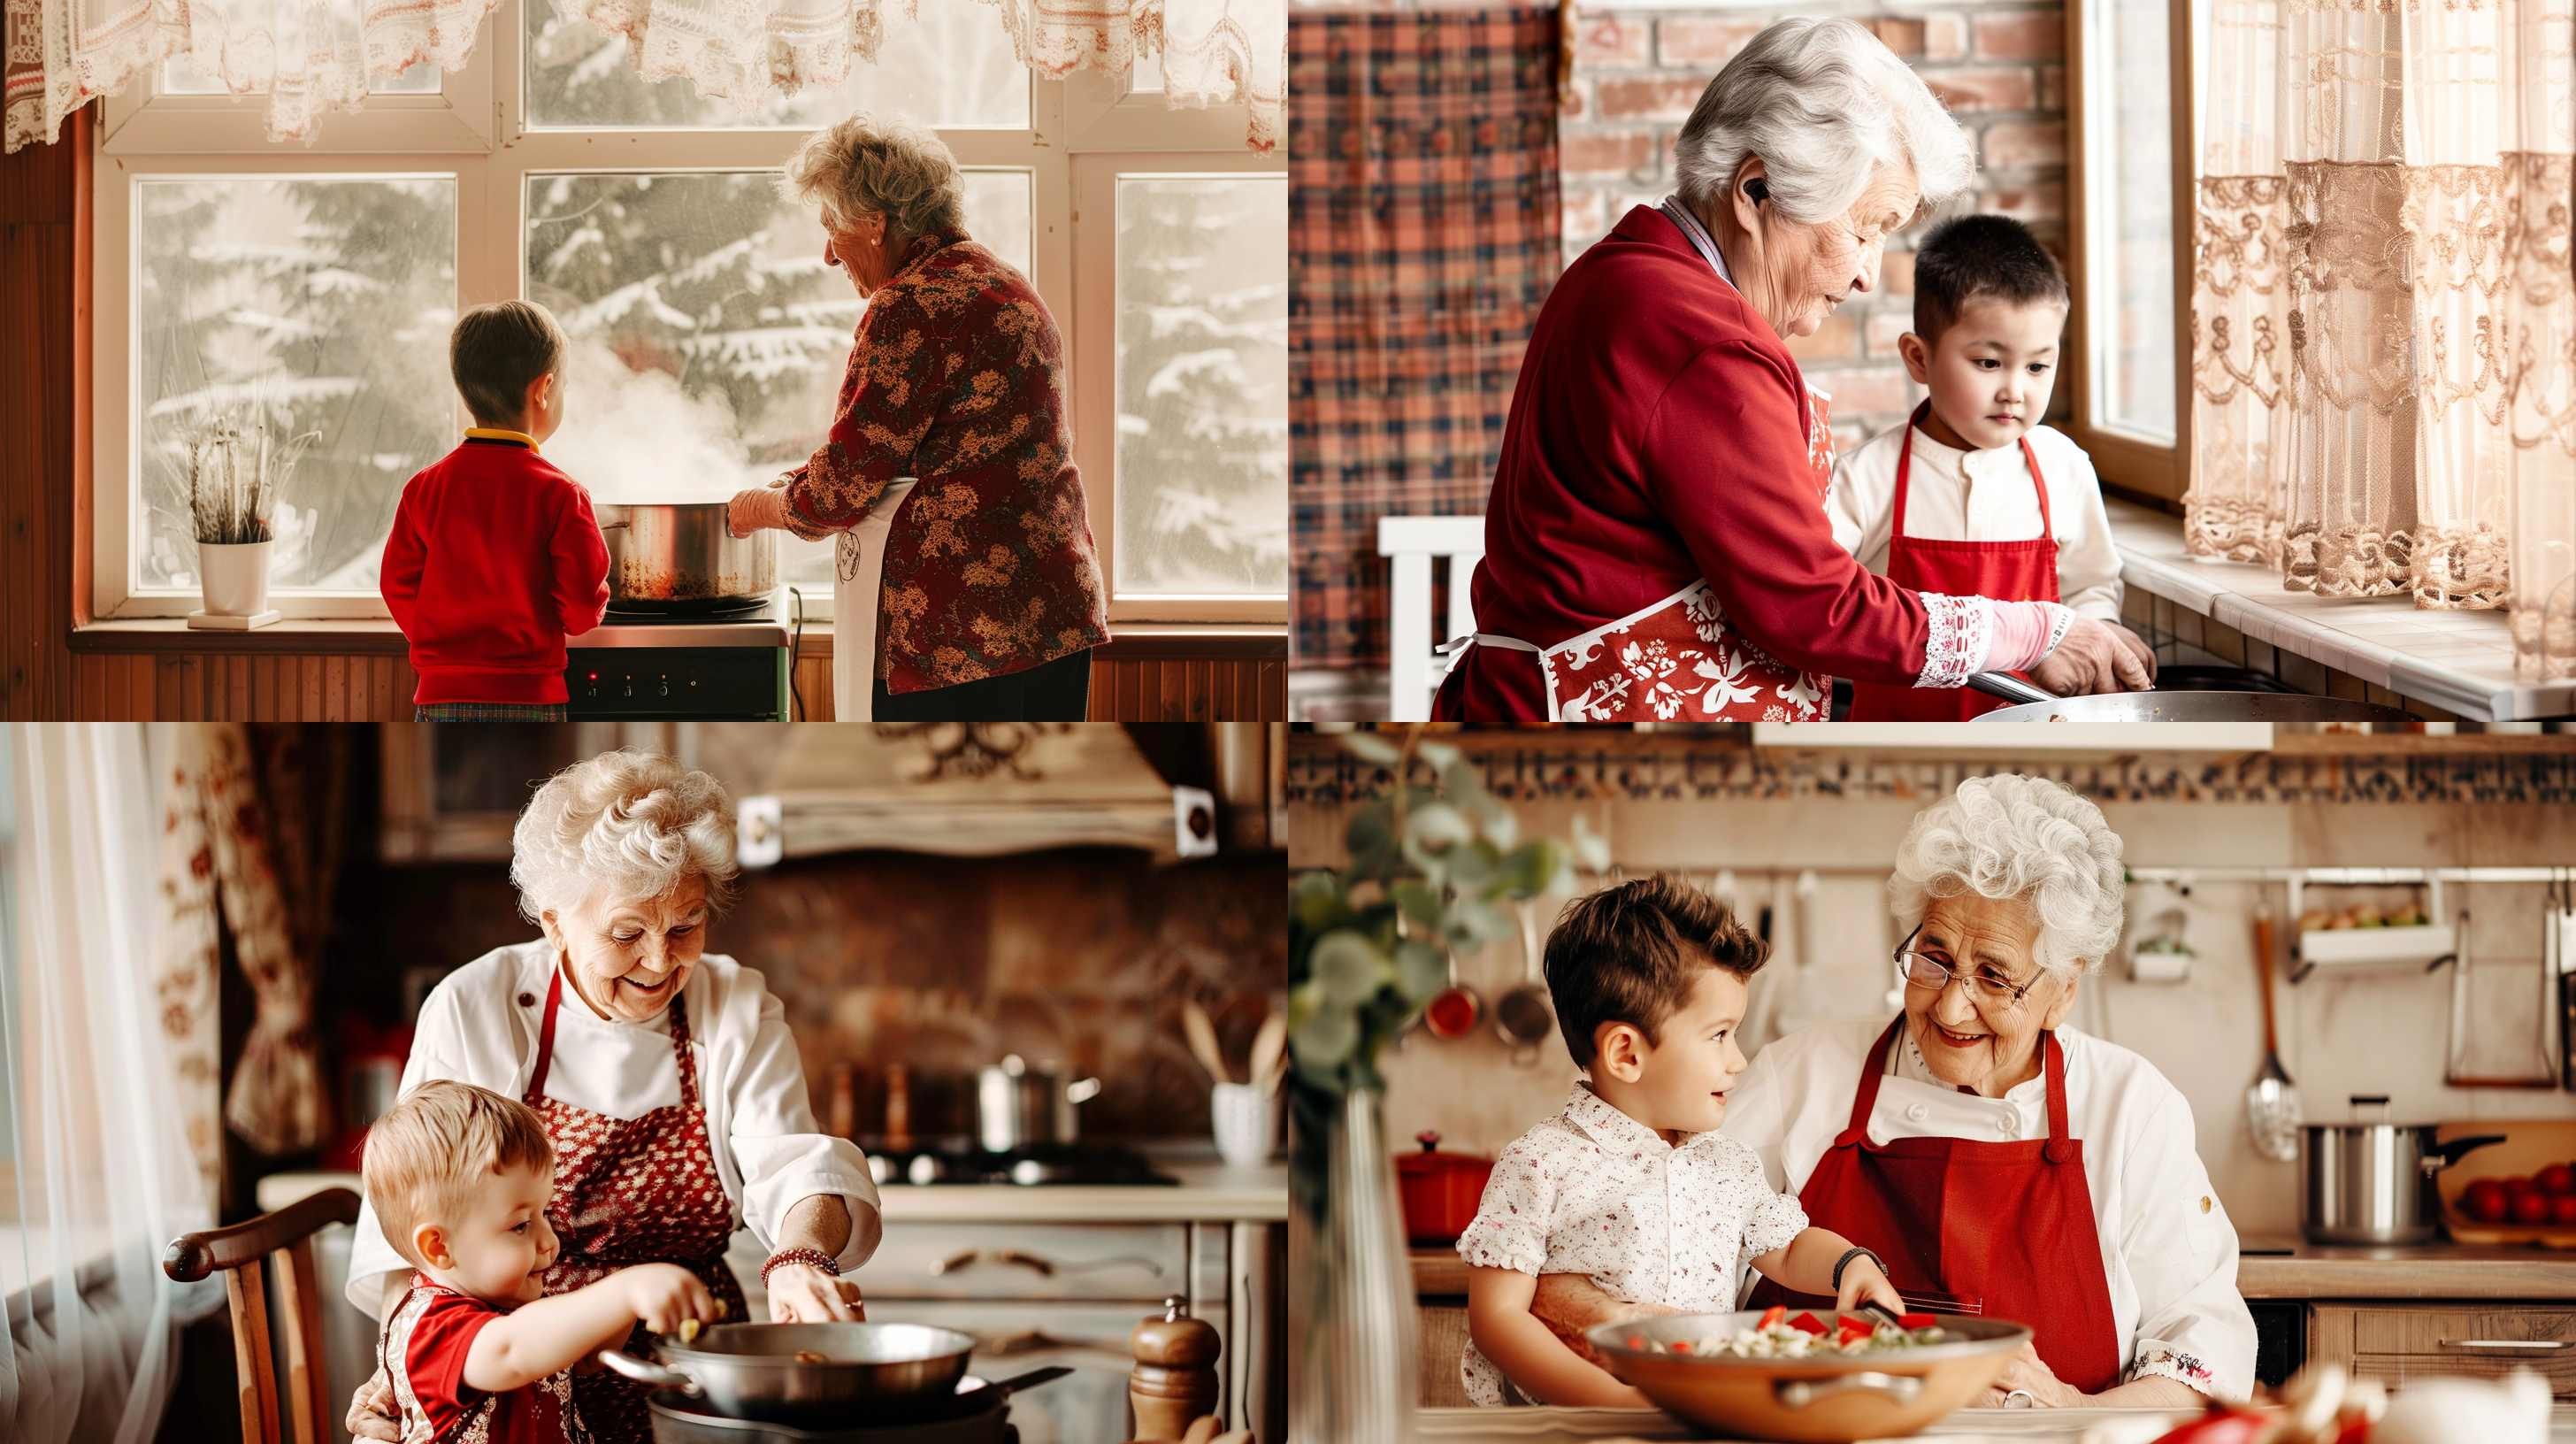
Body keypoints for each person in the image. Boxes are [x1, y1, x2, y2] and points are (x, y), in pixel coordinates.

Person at [1435, 19, 2150, 722]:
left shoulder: (1624, 271)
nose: (1870, 275)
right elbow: (1816, 606)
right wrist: (2038, 630)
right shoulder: (1701, 339)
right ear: (1756, 192)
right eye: (1865, 229)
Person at [1529, 776, 2258, 1407]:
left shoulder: (2132, 1107)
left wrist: (2067, 1413)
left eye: (1995, 977)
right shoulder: (1802, 1076)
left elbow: (2204, 1357)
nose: (1948, 1007)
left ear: (2063, 992)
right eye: (1933, 958)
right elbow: (1608, 1246)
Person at [347, 749, 879, 1444]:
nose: (661, 962)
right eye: (627, 933)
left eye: (685, 925)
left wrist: (802, 1257)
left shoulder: (732, 1004)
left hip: (692, 1369)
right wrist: (407, 1375)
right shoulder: (478, 1005)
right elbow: (424, 1218)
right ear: (554, 923)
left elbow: (798, 1166)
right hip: (523, 1372)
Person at [1458, 876, 1906, 1407]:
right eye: (1719, 1034)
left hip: (1696, 1416)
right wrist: (1613, 1402)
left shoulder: (1729, 1163)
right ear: (1626, 1053)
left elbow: (1785, 1248)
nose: (1738, 1060)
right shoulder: (1540, 1162)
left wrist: (1850, 1264)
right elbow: (1498, 1320)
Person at [725, 114, 1108, 722]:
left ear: (876, 223)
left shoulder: (911, 306)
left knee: (943, 813)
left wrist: (763, 508)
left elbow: (842, 489)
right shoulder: (1003, 282)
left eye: (832, 227)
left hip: (964, 636)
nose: (828, 254)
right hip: (1055, 614)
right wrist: (796, 482)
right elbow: (920, 446)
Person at [1827, 215, 2156, 719]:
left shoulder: (2063, 466)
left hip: (2035, 754)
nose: (2014, 390)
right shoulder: (1865, 477)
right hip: (1899, 748)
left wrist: (2099, 629)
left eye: (2038, 366)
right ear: (1919, 358)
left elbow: (2090, 583)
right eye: (1988, 363)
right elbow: (1828, 601)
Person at [364, 1079, 717, 1444]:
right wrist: (626, 1291)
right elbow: (512, 1352)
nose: (550, 1241)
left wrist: (637, 1305)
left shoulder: (511, 1304)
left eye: (546, 1212)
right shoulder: (432, 1332)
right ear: (440, 1247)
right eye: (520, 1225)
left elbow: (586, 1358)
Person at [381, 301, 612, 721]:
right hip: (531, 699)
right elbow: (580, 611)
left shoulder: (423, 488)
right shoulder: (562, 494)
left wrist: (447, 640)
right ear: (543, 390)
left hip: (439, 698)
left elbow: (397, 586)